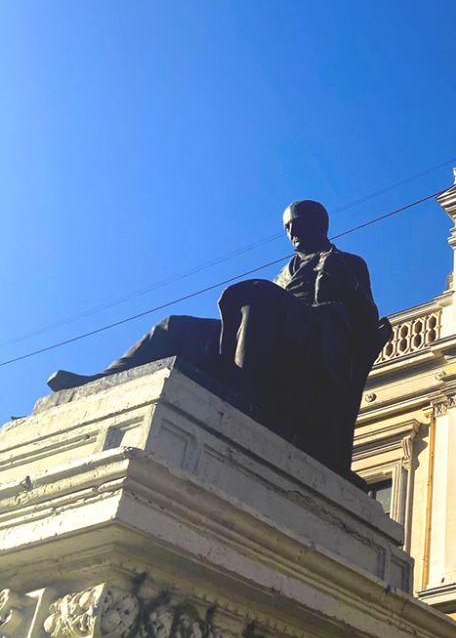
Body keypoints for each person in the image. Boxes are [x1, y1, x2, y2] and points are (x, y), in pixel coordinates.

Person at [47, 200, 388, 480]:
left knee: (258, 297)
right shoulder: (283, 274)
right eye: (287, 227)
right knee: (176, 327)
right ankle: (104, 381)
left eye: (298, 223)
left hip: (313, 343)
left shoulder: (348, 263)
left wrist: (350, 287)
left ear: (319, 224)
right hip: (263, 336)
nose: (292, 232)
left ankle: (244, 396)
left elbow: (368, 319)